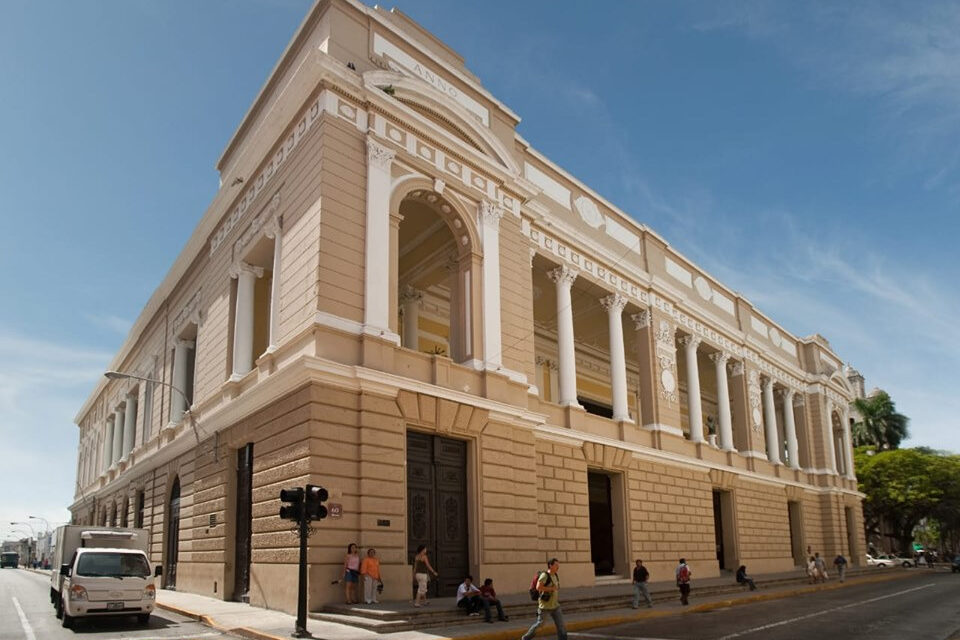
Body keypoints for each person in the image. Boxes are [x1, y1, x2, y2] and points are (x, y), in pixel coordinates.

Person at [521, 558, 566, 640]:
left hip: (555, 606)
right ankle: (525, 638)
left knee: (561, 626)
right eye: (556, 565)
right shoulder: (544, 575)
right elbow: (538, 587)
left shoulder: (555, 575)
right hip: (545, 606)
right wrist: (552, 589)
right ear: (550, 565)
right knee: (540, 624)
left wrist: (554, 589)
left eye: (558, 565)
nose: (558, 566)